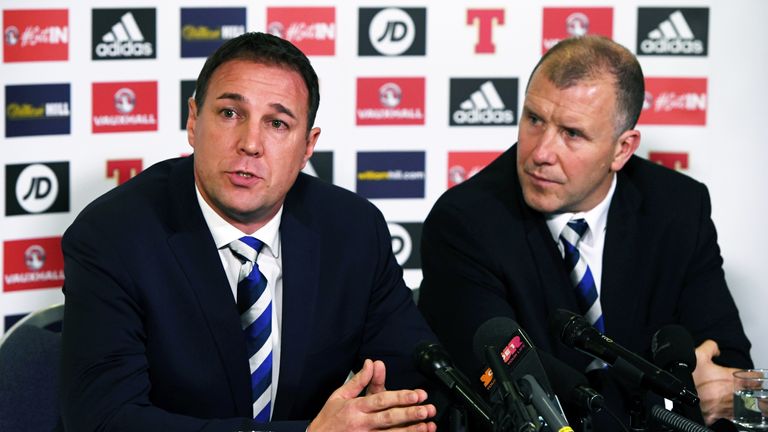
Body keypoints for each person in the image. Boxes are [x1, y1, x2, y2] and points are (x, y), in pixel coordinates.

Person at [60, 32, 437, 432]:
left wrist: (395, 413)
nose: (250, 144)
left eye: (277, 123)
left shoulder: (353, 230)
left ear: (308, 145)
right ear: (192, 121)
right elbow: (103, 419)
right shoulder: (112, 236)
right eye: (229, 114)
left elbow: (415, 376)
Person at [418, 35, 752, 429]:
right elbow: (515, 395)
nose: (541, 152)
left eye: (572, 133)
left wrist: (728, 394)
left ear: (622, 149)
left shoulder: (677, 207)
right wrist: (672, 399)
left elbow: (729, 372)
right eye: (534, 119)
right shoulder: (465, 222)